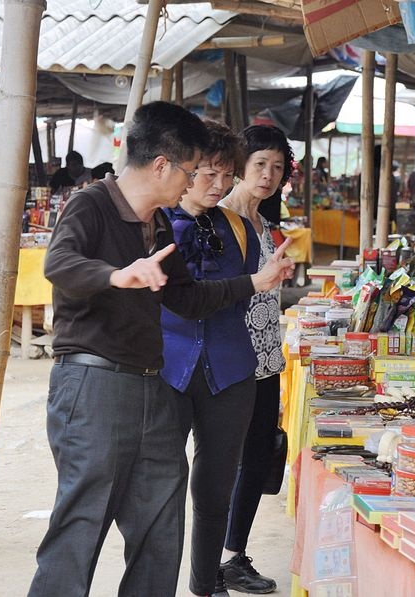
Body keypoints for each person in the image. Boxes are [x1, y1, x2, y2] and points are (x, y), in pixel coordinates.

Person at [29, 101, 294, 597]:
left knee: (160, 522)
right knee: (83, 519)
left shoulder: (157, 224)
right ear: (162, 166)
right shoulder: (92, 204)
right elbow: (60, 263)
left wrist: (256, 282)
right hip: (94, 381)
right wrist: (115, 275)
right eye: (195, 172)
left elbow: (189, 298)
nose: (202, 183)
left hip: (152, 383)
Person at [159, 120, 261, 596]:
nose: (218, 185)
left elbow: (242, 299)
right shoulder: (153, 223)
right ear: (184, 169)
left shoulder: (240, 229)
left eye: (226, 176)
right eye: (206, 173)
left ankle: (205, 586)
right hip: (164, 370)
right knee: (159, 488)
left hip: (231, 369)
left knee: (216, 488)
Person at [217, 125, 294, 595]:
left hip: (267, 359)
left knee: (257, 456)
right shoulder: (220, 220)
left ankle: (232, 555)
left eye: (278, 167)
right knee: (226, 462)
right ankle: (213, 562)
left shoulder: (265, 223)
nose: (268, 175)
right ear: (241, 164)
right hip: (231, 359)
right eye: (261, 163)